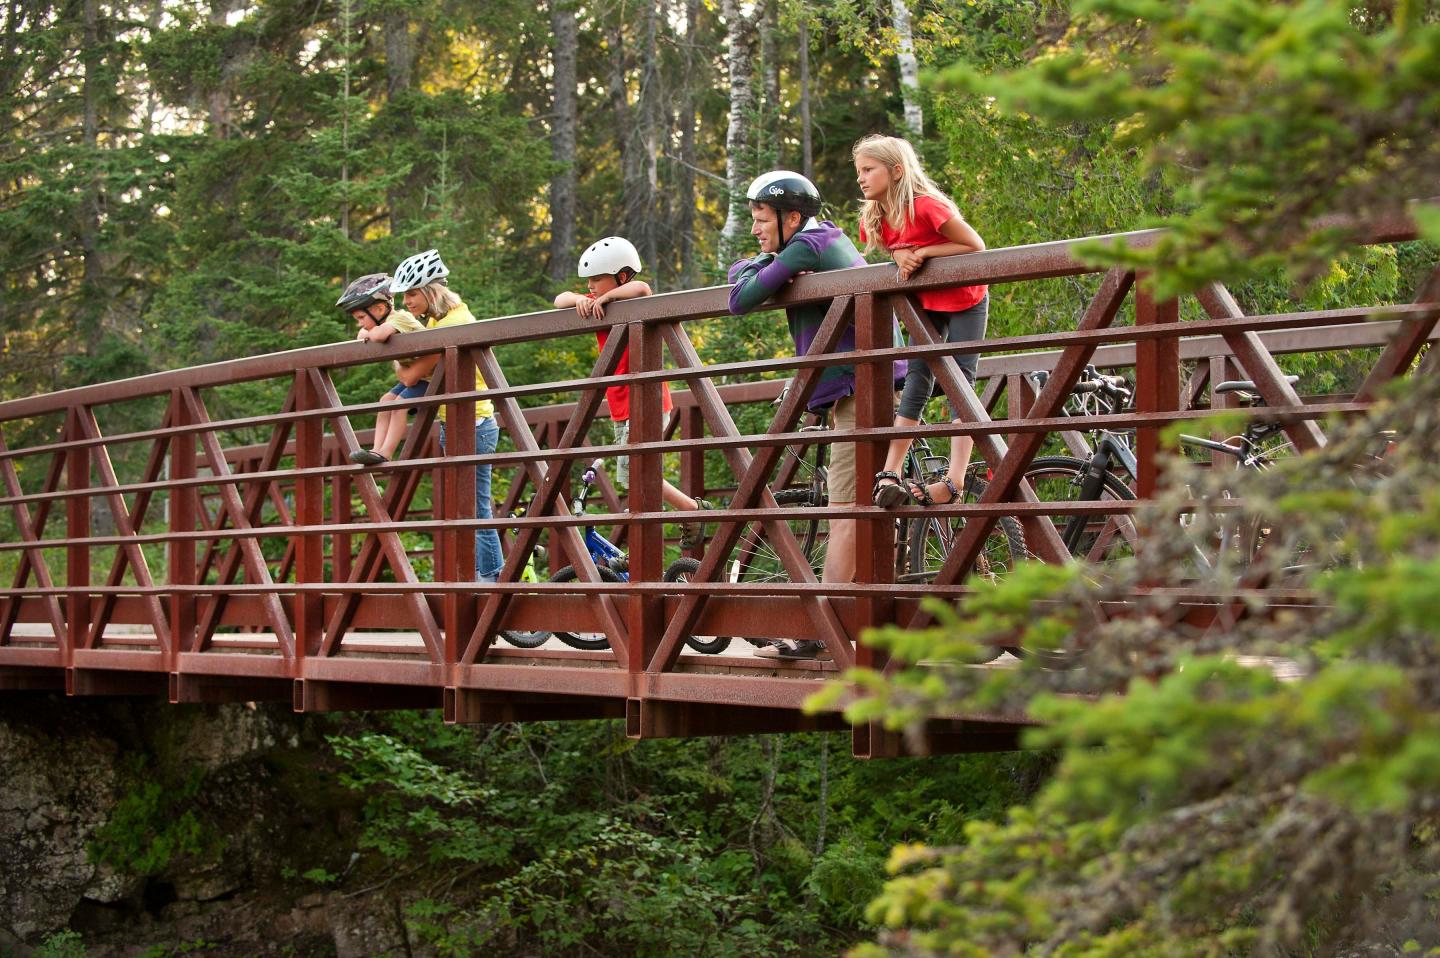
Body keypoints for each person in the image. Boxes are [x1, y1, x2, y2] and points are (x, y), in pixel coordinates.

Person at [727, 170, 908, 660]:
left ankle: (820, 630)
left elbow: (741, 298)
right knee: (855, 501)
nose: (755, 229)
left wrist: (770, 266)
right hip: (858, 389)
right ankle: (870, 617)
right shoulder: (810, 242)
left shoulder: (810, 244)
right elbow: (737, 277)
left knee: (844, 507)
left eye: (762, 220)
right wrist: (769, 261)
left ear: (791, 217)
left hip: (861, 392)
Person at [853, 134, 988, 509]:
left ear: (896, 171)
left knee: (962, 380)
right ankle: (890, 471)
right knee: (918, 376)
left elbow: (974, 245)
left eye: (868, 170)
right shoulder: (875, 216)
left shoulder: (927, 206)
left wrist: (924, 251)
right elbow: (891, 250)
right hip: (924, 302)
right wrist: (899, 255)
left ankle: (955, 481)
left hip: (964, 298)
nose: (861, 179)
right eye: (858, 171)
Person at [553, 235, 713, 549]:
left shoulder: (631, 300)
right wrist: (580, 300)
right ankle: (661, 526)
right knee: (632, 476)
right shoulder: (594, 305)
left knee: (636, 471)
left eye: (598, 280)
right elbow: (559, 299)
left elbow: (642, 288)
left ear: (621, 276)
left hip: (648, 402)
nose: (592, 287)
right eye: (589, 282)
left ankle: (687, 513)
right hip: (621, 407)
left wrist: (608, 298)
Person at [387, 249, 504, 584]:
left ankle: (492, 580)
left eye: (411, 294)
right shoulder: (441, 320)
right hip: (456, 423)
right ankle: (483, 577)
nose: (406, 302)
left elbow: (409, 376)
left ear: (430, 292)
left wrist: (397, 359)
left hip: (474, 425)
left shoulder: (452, 325)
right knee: (464, 508)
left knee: (475, 508)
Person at [337, 273, 430, 468]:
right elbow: (361, 335)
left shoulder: (401, 318)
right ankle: (377, 449)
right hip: (420, 377)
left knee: (399, 404)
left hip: (436, 377)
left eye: (361, 317)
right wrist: (367, 329)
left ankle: (386, 452)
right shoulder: (385, 321)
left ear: (380, 308)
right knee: (386, 401)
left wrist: (369, 331)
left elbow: (378, 335)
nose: (360, 323)